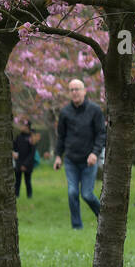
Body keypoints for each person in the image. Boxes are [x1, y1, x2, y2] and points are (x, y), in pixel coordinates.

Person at [53, 78, 106, 229]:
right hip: (71, 160)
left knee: (87, 194)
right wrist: (58, 156)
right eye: (72, 90)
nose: (75, 92)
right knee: (72, 193)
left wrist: (95, 153)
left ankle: (104, 218)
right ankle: (77, 227)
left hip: (89, 160)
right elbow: (61, 136)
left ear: (84, 91)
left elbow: (101, 134)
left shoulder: (95, 110)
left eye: (77, 89)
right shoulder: (65, 112)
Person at [12, 118, 36, 200]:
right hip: (18, 162)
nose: (21, 127)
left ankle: (29, 196)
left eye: (23, 125)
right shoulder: (18, 137)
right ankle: (16, 195)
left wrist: (25, 164)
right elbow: (14, 148)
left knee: (27, 181)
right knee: (17, 182)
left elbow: (32, 153)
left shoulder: (32, 137)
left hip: (27, 164)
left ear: (27, 127)